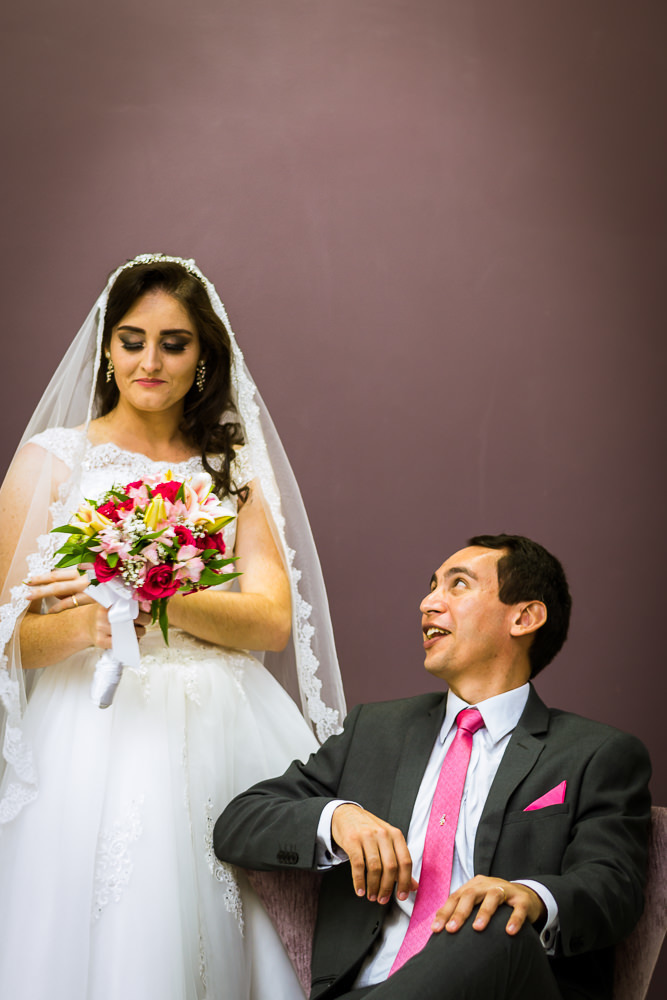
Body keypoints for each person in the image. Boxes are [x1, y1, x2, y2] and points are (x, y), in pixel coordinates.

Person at [0, 254, 346, 999]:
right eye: (131, 340)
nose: (149, 361)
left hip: (226, 718)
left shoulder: (232, 467)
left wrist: (154, 593)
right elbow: (8, 634)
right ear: (106, 349)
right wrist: (88, 625)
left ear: (204, 356)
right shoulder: (53, 461)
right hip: (94, 728)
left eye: (174, 342)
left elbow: (270, 621)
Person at [214, 534, 652, 1000]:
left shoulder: (598, 753)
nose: (427, 603)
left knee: (492, 919)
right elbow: (239, 822)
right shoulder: (375, 730)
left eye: (457, 585)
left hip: (506, 985)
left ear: (524, 617)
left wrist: (526, 896)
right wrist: (338, 817)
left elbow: (613, 885)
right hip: (361, 990)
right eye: (431, 586)